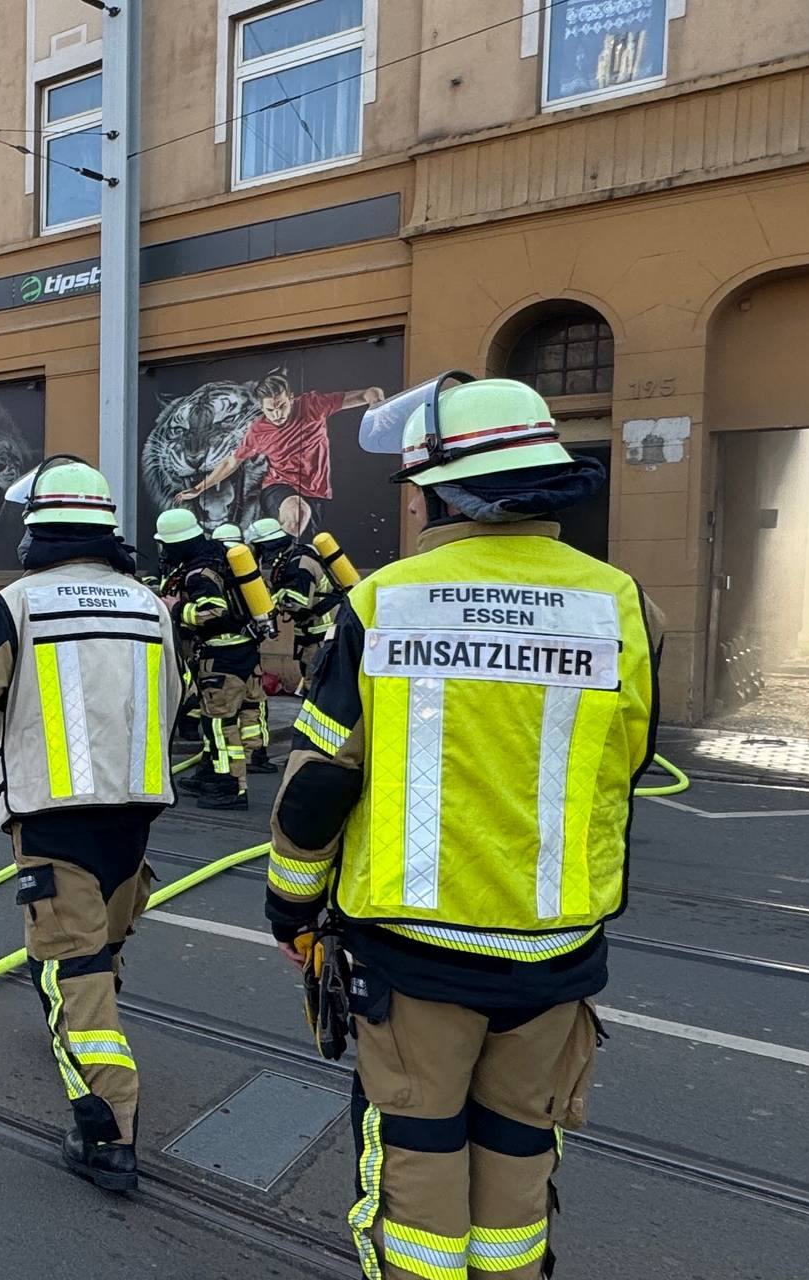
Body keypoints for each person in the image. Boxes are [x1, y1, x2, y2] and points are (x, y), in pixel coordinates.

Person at [265, 376, 657, 1280]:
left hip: (416, 959)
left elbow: (318, 788)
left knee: (419, 1166)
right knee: (518, 1170)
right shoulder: (624, 605)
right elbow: (624, 764)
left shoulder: (383, 604)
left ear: (437, 490)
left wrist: (291, 911)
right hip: (555, 954)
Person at [0, 458, 177, 1194]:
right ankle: (72, 1021)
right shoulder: (149, 603)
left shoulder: (21, 601)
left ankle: (108, 1133)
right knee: (106, 940)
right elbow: (178, 696)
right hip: (135, 811)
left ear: (36, 526)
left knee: (79, 968)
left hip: (51, 814)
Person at [175, 373, 386, 540]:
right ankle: (275, 553)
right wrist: (200, 487)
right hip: (278, 487)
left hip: (317, 492)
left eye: (282, 406)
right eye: (270, 409)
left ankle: (274, 549)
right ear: (262, 407)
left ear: (291, 398)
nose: (277, 414)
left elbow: (368, 393)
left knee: (306, 541)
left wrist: (376, 403)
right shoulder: (258, 430)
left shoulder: (313, 405)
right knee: (297, 511)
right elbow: (232, 461)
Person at [155, 508, 255, 810]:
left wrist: (175, 609)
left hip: (223, 655)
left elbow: (214, 610)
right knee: (215, 720)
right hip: (237, 650)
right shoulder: (216, 555)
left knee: (221, 724)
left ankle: (231, 787)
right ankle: (211, 773)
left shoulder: (199, 573)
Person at [249, 514, 338, 726]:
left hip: (321, 633)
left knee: (317, 683)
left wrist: (269, 601)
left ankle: (315, 730)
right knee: (311, 678)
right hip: (310, 633)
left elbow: (299, 602)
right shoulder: (289, 559)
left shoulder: (299, 563)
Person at [211, 522, 277, 776]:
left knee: (222, 713)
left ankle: (228, 770)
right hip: (251, 646)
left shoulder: (217, 570)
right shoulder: (249, 569)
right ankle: (256, 752)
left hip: (226, 651)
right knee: (253, 702)